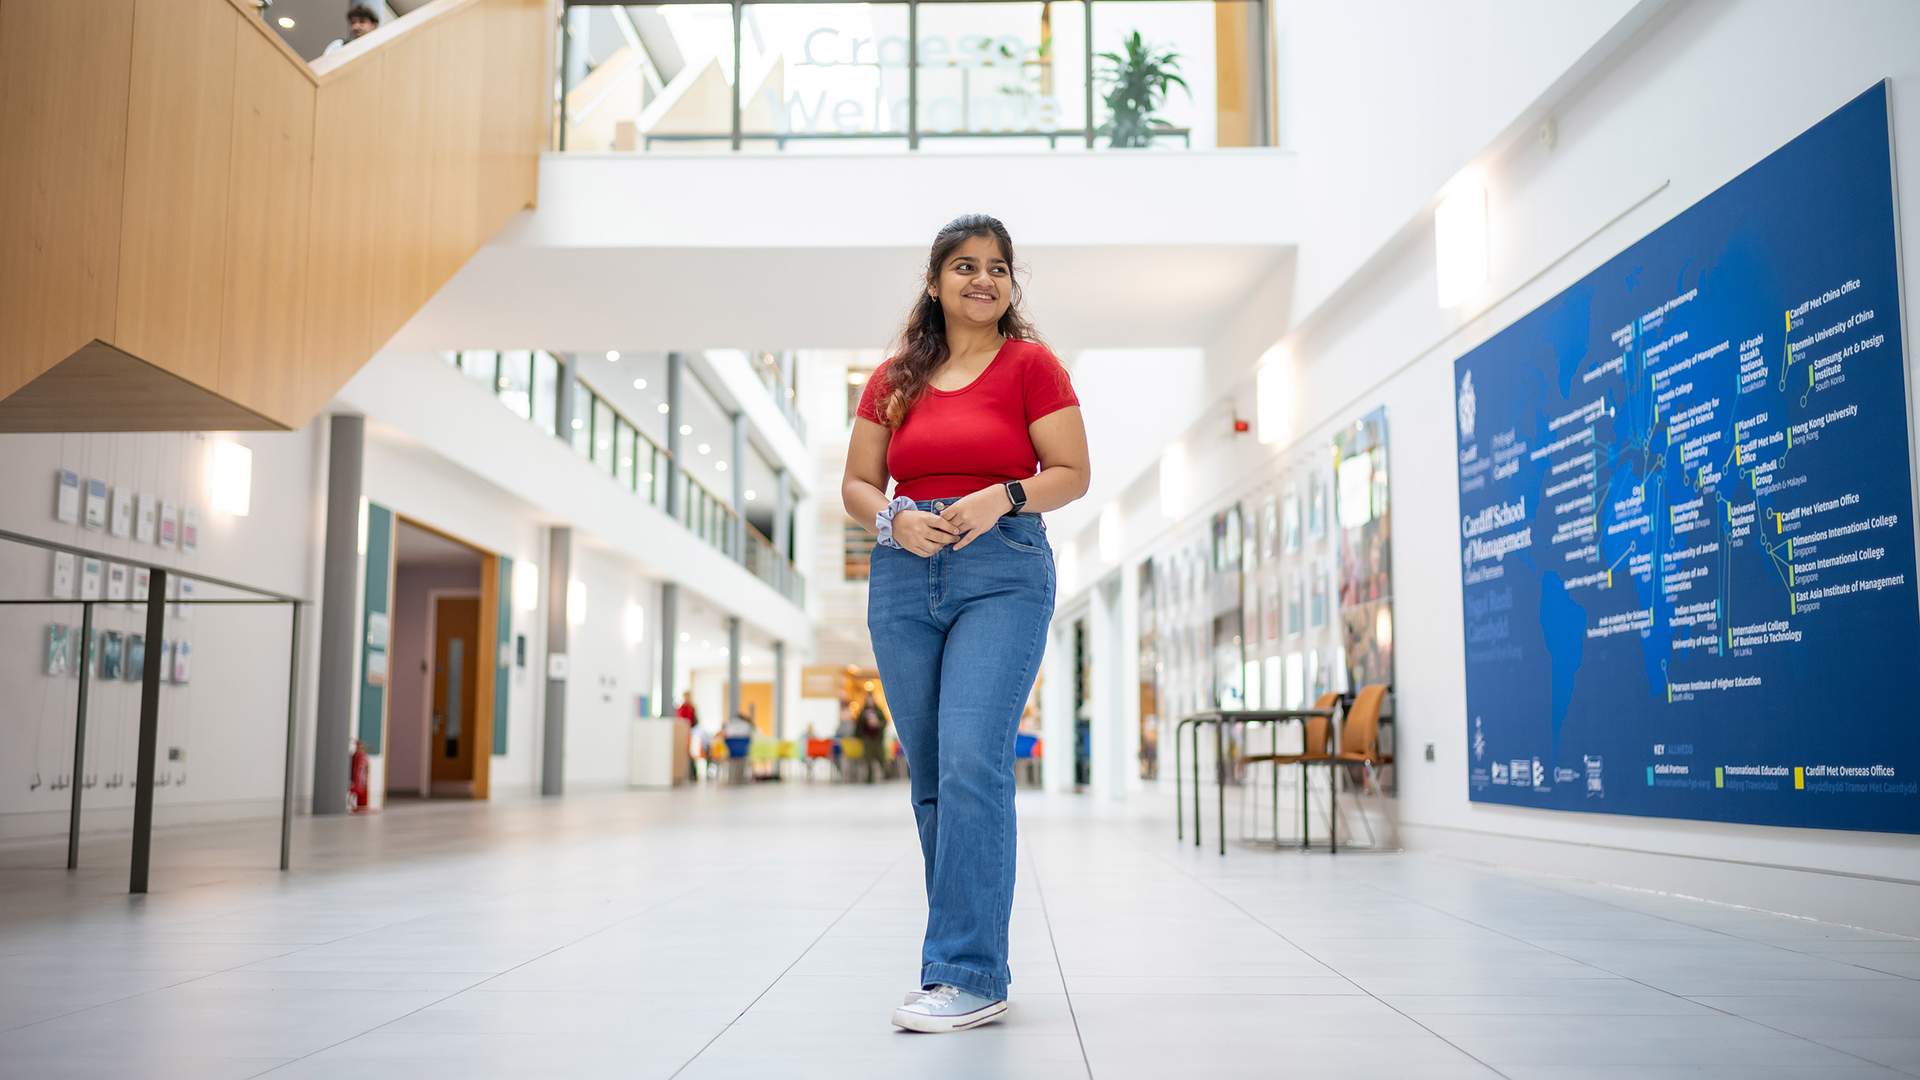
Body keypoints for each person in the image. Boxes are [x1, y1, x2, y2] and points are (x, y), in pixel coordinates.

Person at [843, 214, 1089, 1034]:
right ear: (935, 280)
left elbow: (1071, 473)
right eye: (964, 266)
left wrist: (1004, 493)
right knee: (933, 777)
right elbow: (857, 484)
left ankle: (967, 970)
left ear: (1011, 284)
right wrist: (892, 522)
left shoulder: (1032, 366)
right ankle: (960, 959)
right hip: (904, 572)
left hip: (1003, 568)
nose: (983, 279)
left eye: (997, 267)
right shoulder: (894, 377)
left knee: (974, 760)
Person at [855, 694, 889, 784]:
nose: (870, 701)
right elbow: (858, 725)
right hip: (867, 739)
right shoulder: (863, 712)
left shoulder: (878, 711)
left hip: (877, 738)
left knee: (881, 757)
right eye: (868, 700)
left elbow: (885, 722)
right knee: (868, 759)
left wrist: (878, 723)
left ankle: (886, 776)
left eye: (871, 700)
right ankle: (869, 778)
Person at [676, 691, 699, 782]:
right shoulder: (682, 707)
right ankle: (684, 774)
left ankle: (693, 775)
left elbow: (691, 721)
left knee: (690, 753)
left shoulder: (690, 708)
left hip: (689, 732)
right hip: (682, 733)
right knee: (684, 753)